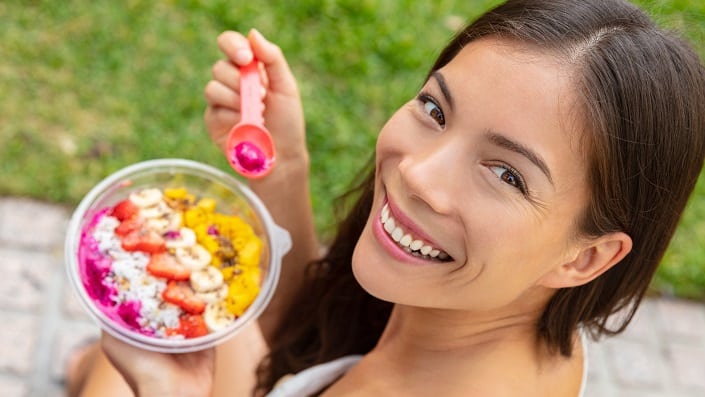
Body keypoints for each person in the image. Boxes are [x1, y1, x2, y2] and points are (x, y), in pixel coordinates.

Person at [66, 0, 705, 396]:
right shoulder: (494, 312)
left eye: (507, 174)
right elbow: (315, 342)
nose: (420, 174)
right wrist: (283, 172)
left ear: (586, 258)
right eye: (435, 108)